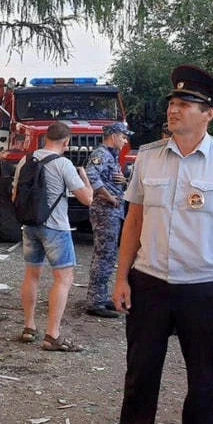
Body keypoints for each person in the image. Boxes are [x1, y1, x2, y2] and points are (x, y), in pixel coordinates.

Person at [109, 65, 213, 424]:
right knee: (140, 377)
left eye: (186, 104)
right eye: (173, 102)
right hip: (150, 283)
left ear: (208, 113)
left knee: (204, 383)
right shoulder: (150, 158)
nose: (175, 109)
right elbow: (133, 222)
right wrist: (121, 277)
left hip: (204, 290)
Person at [14, 121, 93, 351]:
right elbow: (86, 199)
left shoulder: (25, 161)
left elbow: (15, 196)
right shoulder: (63, 164)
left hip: (30, 225)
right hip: (56, 228)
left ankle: (29, 327)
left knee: (32, 274)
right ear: (66, 142)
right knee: (63, 279)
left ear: (45, 137)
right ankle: (52, 335)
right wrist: (85, 178)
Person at [84, 122, 133, 318]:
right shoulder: (101, 154)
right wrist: (109, 197)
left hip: (111, 212)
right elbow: (91, 175)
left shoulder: (111, 156)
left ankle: (100, 297)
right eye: (123, 136)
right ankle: (95, 301)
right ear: (113, 136)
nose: (125, 140)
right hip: (105, 211)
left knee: (108, 254)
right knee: (104, 255)